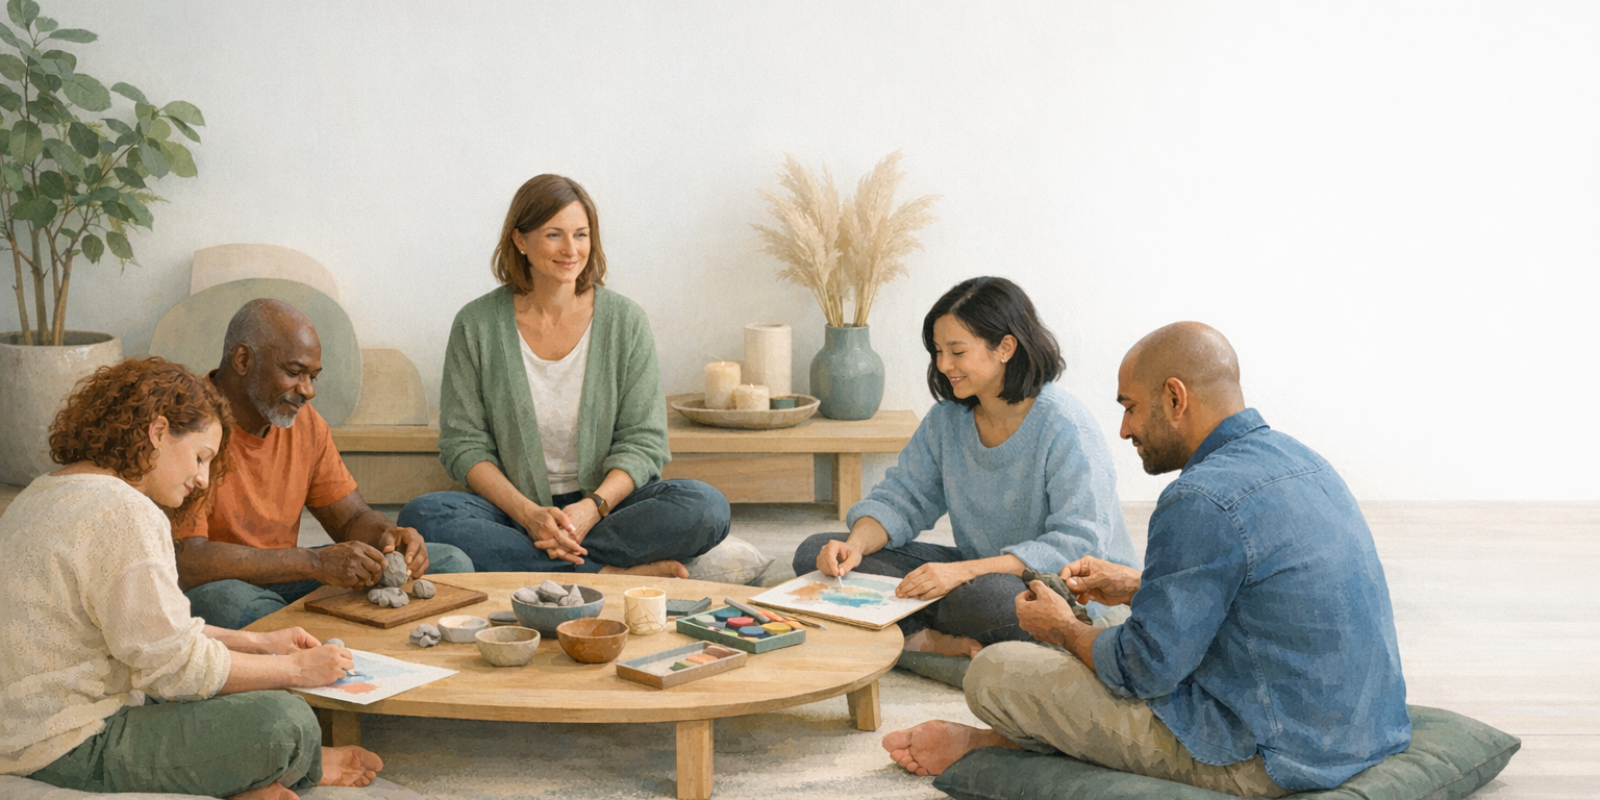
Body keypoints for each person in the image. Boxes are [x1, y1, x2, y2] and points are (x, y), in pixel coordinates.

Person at [882, 322, 1411, 798]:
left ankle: (994, 744)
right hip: (1364, 731)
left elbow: (1141, 668)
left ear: (1175, 398)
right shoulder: (1301, 459)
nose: (1124, 429)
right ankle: (1012, 738)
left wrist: (1062, 628)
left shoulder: (1199, 499)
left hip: (1272, 757)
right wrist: (1140, 584)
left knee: (997, 671)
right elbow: (1262, 588)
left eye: (1130, 407)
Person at [0, 357, 383, 800]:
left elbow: (152, 635)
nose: (202, 480)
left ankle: (242, 781)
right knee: (286, 721)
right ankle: (294, 769)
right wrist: (293, 669)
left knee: (226, 688)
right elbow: (176, 669)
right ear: (158, 432)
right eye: (200, 458)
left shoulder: (43, 489)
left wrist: (262, 643)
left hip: (22, 731)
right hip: (65, 746)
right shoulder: (127, 511)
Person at [400, 174, 729, 575]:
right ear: (520, 240)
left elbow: (644, 441)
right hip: (513, 514)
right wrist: (529, 514)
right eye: (554, 235)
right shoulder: (476, 324)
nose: (571, 250)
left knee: (707, 507)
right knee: (423, 516)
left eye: (581, 234)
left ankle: (542, 565)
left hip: (607, 509)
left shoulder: (625, 322)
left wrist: (592, 509)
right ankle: (607, 574)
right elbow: (463, 446)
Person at [794, 277, 1137, 659]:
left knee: (995, 600)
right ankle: (924, 639)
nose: (944, 365)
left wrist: (962, 573)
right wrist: (853, 546)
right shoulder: (947, 420)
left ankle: (900, 630)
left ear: (1006, 347)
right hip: (978, 572)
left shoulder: (1065, 424)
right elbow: (903, 498)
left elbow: (1077, 545)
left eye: (957, 351)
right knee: (814, 556)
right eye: (938, 351)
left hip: (1068, 594)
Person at [175, 299, 473, 629]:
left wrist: (388, 537)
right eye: (294, 373)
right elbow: (189, 562)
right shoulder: (185, 424)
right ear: (243, 360)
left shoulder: (305, 424)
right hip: (213, 588)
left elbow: (351, 518)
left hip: (288, 576)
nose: (308, 391)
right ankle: (310, 639)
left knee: (450, 562)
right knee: (235, 608)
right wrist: (313, 562)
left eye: (313, 376)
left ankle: (312, 637)